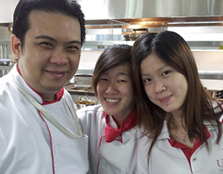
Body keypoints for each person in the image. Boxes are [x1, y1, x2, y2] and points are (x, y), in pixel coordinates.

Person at [0, 0, 89, 173]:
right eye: (46, 44)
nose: (60, 59)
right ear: (17, 47)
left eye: (71, 47)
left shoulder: (65, 99)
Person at [131, 31, 223, 174]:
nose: (158, 88)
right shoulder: (147, 143)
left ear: (187, 68)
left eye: (165, 73)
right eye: (147, 80)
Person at [77, 44, 143, 174]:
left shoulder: (155, 128)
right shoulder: (84, 120)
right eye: (104, 79)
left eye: (121, 80)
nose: (110, 90)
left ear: (137, 85)